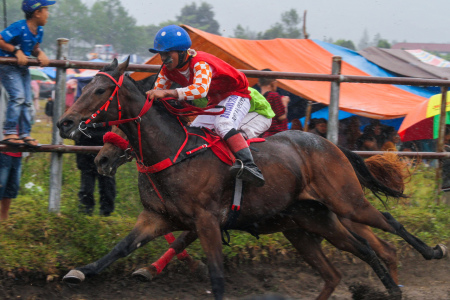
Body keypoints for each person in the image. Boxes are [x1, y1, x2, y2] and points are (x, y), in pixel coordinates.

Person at [146, 25, 272, 187]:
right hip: (218, 100)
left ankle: (250, 166)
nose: (164, 59)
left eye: (167, 54)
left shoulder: (200, 63)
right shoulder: (166, 70)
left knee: (223, 124)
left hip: (237, 94)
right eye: (161, 54)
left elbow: (200, 90)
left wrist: (169, 93)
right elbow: (158, 92)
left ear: (182, 52)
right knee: (194, 131)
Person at [0, 0, 55, 147]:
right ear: (37, 13)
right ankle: (10, 132)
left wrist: (40, 53)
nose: (48, 14)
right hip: (8, 65)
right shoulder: (19, 27)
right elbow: (0, 40)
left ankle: (25, 133)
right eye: (46, 10)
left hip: (21, 67)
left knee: (27, 100)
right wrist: (15, 51)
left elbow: (34, 47)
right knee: (18, 97)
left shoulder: (39, 30)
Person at [76, 126, 116, 217]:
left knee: (106, 185)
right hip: (87, 149)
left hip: (104, 149)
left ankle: (105, 214)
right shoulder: (84, 114)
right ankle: (87, 213)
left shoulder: (107, 114)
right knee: (88, 186)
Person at [258, 69, 289, 137]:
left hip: (265, 134)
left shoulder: (259, 97)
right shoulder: (273, 95)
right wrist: (284, 103)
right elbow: (282, 117)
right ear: (273, 82)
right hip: (276, 134)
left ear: (259, 84)